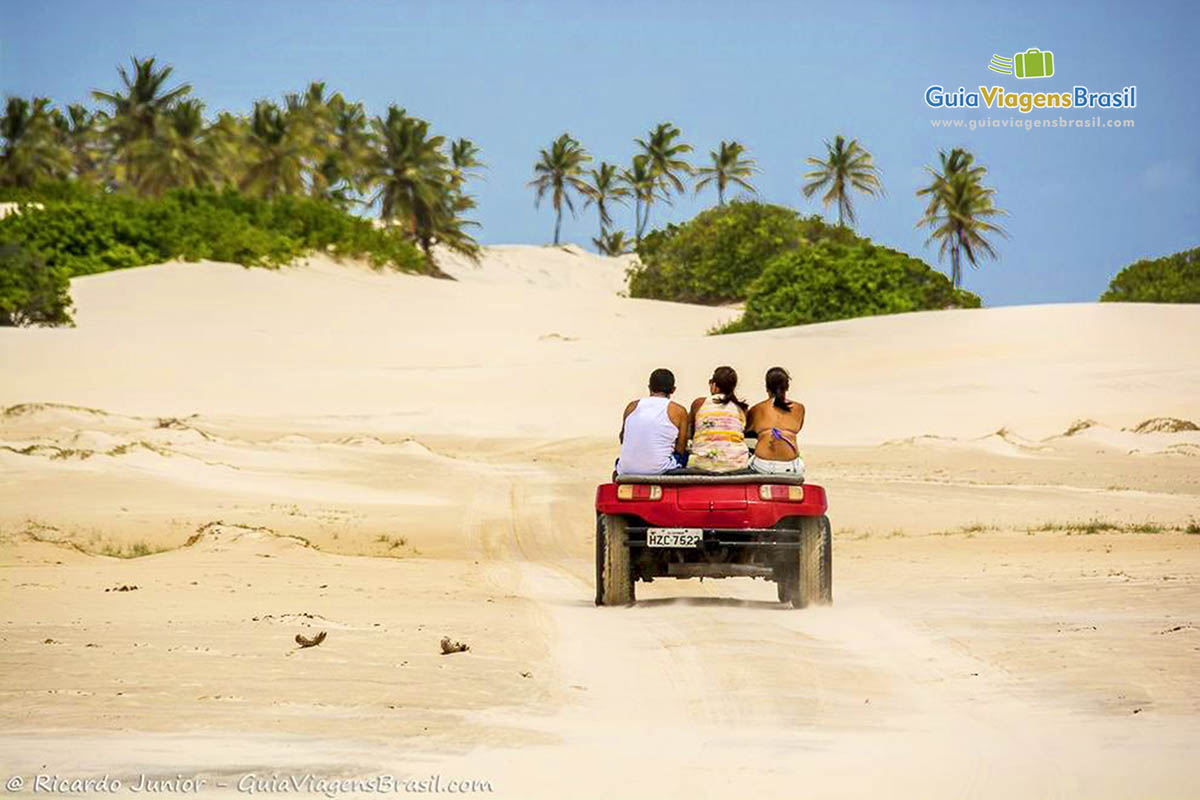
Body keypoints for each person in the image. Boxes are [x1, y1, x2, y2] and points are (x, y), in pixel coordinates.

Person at [616, 368, 689, 475]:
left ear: (649, 387)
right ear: (673, 390)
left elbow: (623, 438)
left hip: (626, 469)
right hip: (660, 469)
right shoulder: (679, 411)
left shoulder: (632, 406)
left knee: (620, 460)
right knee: (686, 456)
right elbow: (681, 448)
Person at [687, 366, 750, 472]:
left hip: (703, 464)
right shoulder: (741, 408)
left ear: (714, 385)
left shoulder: (699, 403)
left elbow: (691, 433)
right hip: (736, 465)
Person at [746, 366, 806, 476]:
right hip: (790, 467)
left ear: (766, 387)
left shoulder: (756, 409)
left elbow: (746, 431)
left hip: (762, 466)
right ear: (787, 387)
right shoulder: (799, 409)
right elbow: (797, 428)